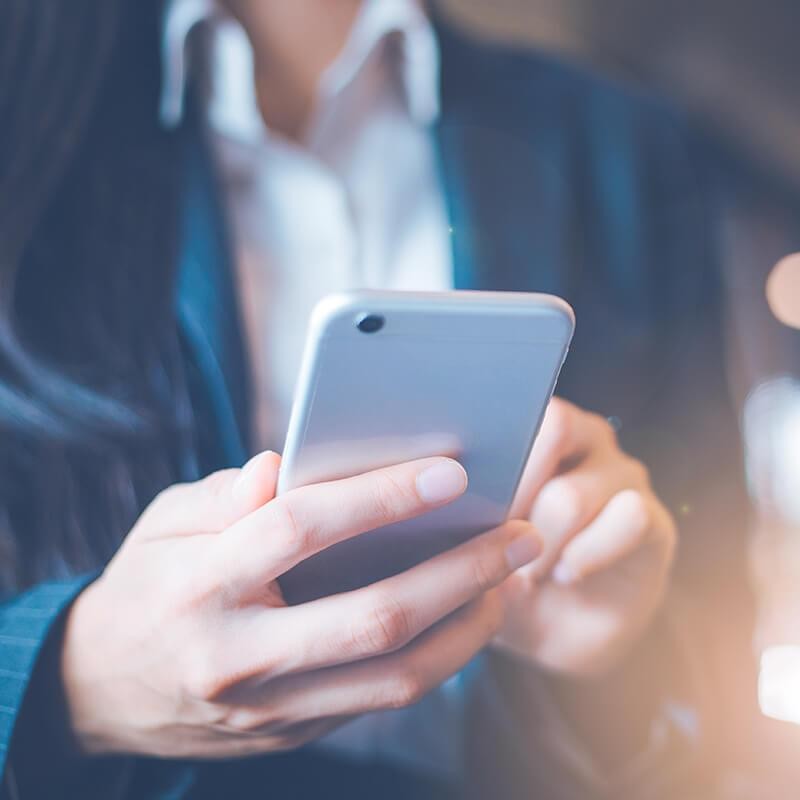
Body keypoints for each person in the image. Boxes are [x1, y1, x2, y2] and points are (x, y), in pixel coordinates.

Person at [0, 0, 757, 798]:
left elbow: (716, 623)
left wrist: (617, 658)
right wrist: (76, 680)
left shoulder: (624, 145)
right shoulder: (30, 99)